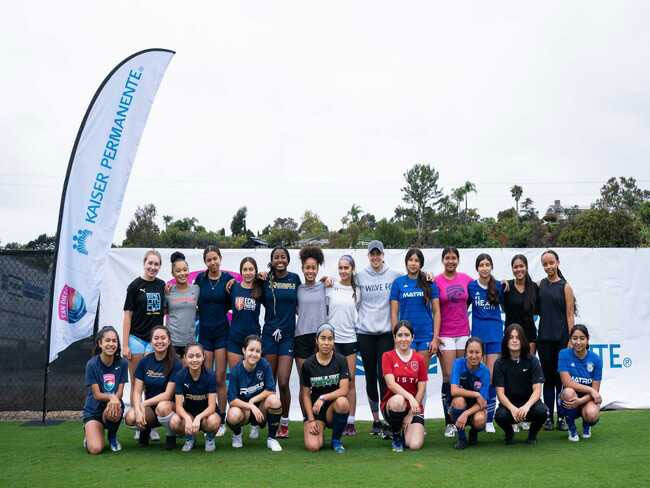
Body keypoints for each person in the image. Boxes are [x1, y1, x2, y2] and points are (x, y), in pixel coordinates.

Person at [356, 240, 401, 436]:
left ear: (383, 255)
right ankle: (376, 421)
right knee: (369, 377)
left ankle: (388, 418)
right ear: (368, 256)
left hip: (385, 334)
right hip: (365, 334)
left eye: (378, 254)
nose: (375, 257)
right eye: (372, 254)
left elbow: (413, 276)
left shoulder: (394, 275)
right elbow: (341, 281)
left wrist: (427, 275)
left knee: (385, 379)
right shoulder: (359, 276)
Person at [390, 248, 440, 413]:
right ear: (406, 262)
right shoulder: (398, 283)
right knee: (406, 379)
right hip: (405, 338)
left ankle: (419, 416)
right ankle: (404, 413)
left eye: (416, 260)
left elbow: (437, 311)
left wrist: (435, 338)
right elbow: (393, 313)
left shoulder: (429, 282)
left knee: (420, 379)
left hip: (425, 336)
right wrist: (396, 337)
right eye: (410, 260)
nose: (413, 263)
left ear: (421, 264)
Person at [433, 247, 473, 437]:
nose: (450, 261)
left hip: (464, 334)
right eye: (447, 258)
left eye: (453, 258)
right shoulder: (436, 281)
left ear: (458, 260)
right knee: (449, 377)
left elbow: (482, 289)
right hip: (445, 334)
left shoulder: (466, 279)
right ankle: (449, 422)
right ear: (443, 260)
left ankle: (462, 417)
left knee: (462, 377)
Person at [262, 246, 301, 438]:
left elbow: (304, 300)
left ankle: (284, 422)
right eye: (276, 257)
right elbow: (249, 291)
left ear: (288, 260)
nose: (280, 260)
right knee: (270, 383)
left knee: (284, 382)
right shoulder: (265, 280)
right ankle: (271, 422)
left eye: (283, 257)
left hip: (288, 335)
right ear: (272, 260)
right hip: (269, 335)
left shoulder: (294, 279)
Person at [194, 245, 233, 432]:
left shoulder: (228, 280)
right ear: (205, 262)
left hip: (222, 333)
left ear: (220, 258)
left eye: (215, 258)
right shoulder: (200, 279)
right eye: (209, 259)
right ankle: (207, 416)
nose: (212, 262)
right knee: (207, 377)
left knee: (219, 378)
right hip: (205, 334)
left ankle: (223, 418)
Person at [122, 249, 166, 415]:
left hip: (155, 342)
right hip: (136, 340)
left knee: (152, 383)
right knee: (136, 382)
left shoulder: (162, 285)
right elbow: (127, 315)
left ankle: (150, 422)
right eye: (150, 263)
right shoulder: (134, 286)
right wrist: (125, 345)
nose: (153, 267)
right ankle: (136, 417)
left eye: (156, 264)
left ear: (160, 266)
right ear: (144, 263)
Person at [124, 325, 182, 449]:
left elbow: (167, 395)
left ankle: (170, 434)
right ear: (151, 341)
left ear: (169, 341)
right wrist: (139, 410)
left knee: (162, 407)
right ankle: (145, 430)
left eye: (163, 338)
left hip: (170, 407)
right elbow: (137, 390)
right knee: (130, 417)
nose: (159, 341)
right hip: (150, 407)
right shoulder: (145, 361)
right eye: (156, 338)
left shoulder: (176, 362)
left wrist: (142, 405)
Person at [537, 249, 576, 431]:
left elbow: (570, 314)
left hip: (561, 340)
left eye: (551, 263)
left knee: (561, 381)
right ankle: (548, 417)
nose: (548, 266)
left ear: (557, 262)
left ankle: (562, 417)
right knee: (548, 380)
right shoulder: (540, 285)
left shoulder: (565, 287)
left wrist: (570, 340)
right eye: (545, 264)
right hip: (544, 340)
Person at [467, 253, 504, 433]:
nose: (484, 267)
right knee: (480, 379)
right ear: (477, 268)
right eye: (481, 264)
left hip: (496, 336)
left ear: (491, 267)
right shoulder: (471, 287)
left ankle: (489, 419)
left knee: (490, 379)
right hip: (478, 339)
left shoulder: (499, 286)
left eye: (487, 264)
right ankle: (478, 414)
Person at [226, 335, 283, 451]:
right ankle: (237, 435)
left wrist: (253, 401)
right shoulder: (235, 371)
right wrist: (250, 406)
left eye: (258, 351)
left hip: (260, 410)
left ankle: (272, 439)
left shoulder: (264, 364)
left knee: (274, 400)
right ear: (244, 350)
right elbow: (232, 400)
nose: (254, 354)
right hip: (244, 411)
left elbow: (270, 389)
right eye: (251, 350)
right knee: (233, 415)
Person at [493, 324, 547, 445]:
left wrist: (526, 407)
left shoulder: (533, 360)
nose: (514, 340)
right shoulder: (499, 363)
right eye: (511, 337)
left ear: (523, 340)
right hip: (509, 405)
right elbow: (500, 394)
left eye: (518, 337)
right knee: (500, 416)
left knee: (542, 411)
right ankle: (509, 432)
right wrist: (512, 408)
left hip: (529, 404)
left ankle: (532, 435)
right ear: (506, 341)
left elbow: (537, 390)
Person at [301, 323, 351, 453]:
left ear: (334, 341)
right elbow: (305, 394)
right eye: (323, 338)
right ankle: (318, 431)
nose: (326, 342)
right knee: (313, 447)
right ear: (316, 340)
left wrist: (323, 397)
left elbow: (344, 390)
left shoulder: (340, 360)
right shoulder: (308, 364)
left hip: (332, 409)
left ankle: (336, 440)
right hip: (316, 411)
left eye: (330, 338)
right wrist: (311, 419)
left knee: (343, 402)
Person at [327, 254, 361, 436]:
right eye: (340, 268)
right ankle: (334, 418)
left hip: (350, 341)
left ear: (352, 269)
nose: (343, 271)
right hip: (332, 343)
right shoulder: (330, 287)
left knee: (350, 382)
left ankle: (350, 421)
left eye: (346, 268)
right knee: (334, 383)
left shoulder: (358, 290)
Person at [381, 320, 427, 452]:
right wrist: (409, 398)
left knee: (414, 445)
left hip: (414, 408)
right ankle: (396, 435)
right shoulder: (387, 356)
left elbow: (422, 388)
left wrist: (411, 413)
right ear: (394, 337)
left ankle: (401, 429)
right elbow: (391, 383)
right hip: (394, 405)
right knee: (398, 400)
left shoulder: (419, 359)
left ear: (412, 337)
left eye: (407, 335)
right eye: (400, 335)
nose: (403, 339)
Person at [83, 326, 128, 454]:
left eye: (114, 341)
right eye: (107, 340)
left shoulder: (123, 363)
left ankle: (112, 436)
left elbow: (120, 392)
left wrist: (114, 400)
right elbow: (97, 395)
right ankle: (90, 432)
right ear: (100, 343)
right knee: (96, 449)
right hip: (94, 411)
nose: (111, 344)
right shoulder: (92, 364)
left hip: (113, 406)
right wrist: (111, 397)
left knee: (115, 406)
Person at [169, 343, 222, 452]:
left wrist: (199, 418)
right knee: (174, 421)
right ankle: (190, 438)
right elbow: (178, 407)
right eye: (191, 356)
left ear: (203, 357)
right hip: (190, 415)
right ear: (185, 358)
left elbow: (212, 407)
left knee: (214, 420)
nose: (194, 360)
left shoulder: (210, 376)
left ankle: (210, 438)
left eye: (198, 356)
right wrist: (188, 418)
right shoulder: (180, 376)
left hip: (207, 416)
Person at [558, 324, 602, 442]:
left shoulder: (596, 359)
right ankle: (571, 428)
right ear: (570, 339)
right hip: (570, 396)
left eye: (582, 338)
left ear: (587, 339)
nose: (578, 342)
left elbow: (595, 389)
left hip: (586, 399)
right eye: (575, 338)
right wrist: (591, 390)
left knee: (592, 414)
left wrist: (582, 400)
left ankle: (586, 424)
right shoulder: (564, 354)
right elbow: (567, 382)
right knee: (568, 392)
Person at [449, 337, 490, 449]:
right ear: (466, 353)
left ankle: (474, 432)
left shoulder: (485, 372)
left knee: (480, 420)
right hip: (460, 404)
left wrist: (466, 413)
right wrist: (476, 394)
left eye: (477, 352)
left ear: (482, 354)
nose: (474, 356)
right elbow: (454, 390)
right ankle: (462, 439)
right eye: (470, 352)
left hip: (476, 408)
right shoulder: (458, 364)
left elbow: (483, 401)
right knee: (458, 401)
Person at [227, 257, 264, 369]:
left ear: (255, 271)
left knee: (252, 380)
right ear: (241, 272)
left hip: (253, 341)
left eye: (251, 269)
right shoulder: (233, 287)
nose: (248, 273)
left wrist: (262, 277)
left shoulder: (261, 288)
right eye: (245, 269)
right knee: (235, 377)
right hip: (235, 340)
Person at [165, 251, 199, 359]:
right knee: (173, 375)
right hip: (172, 343)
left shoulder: (196, 289)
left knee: (187, 375)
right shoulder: (168, 291)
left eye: (185, 270)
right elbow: (163, 311)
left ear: (188, 271)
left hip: (190, 343)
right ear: (173, 273)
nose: (182, 273)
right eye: (178, 271)